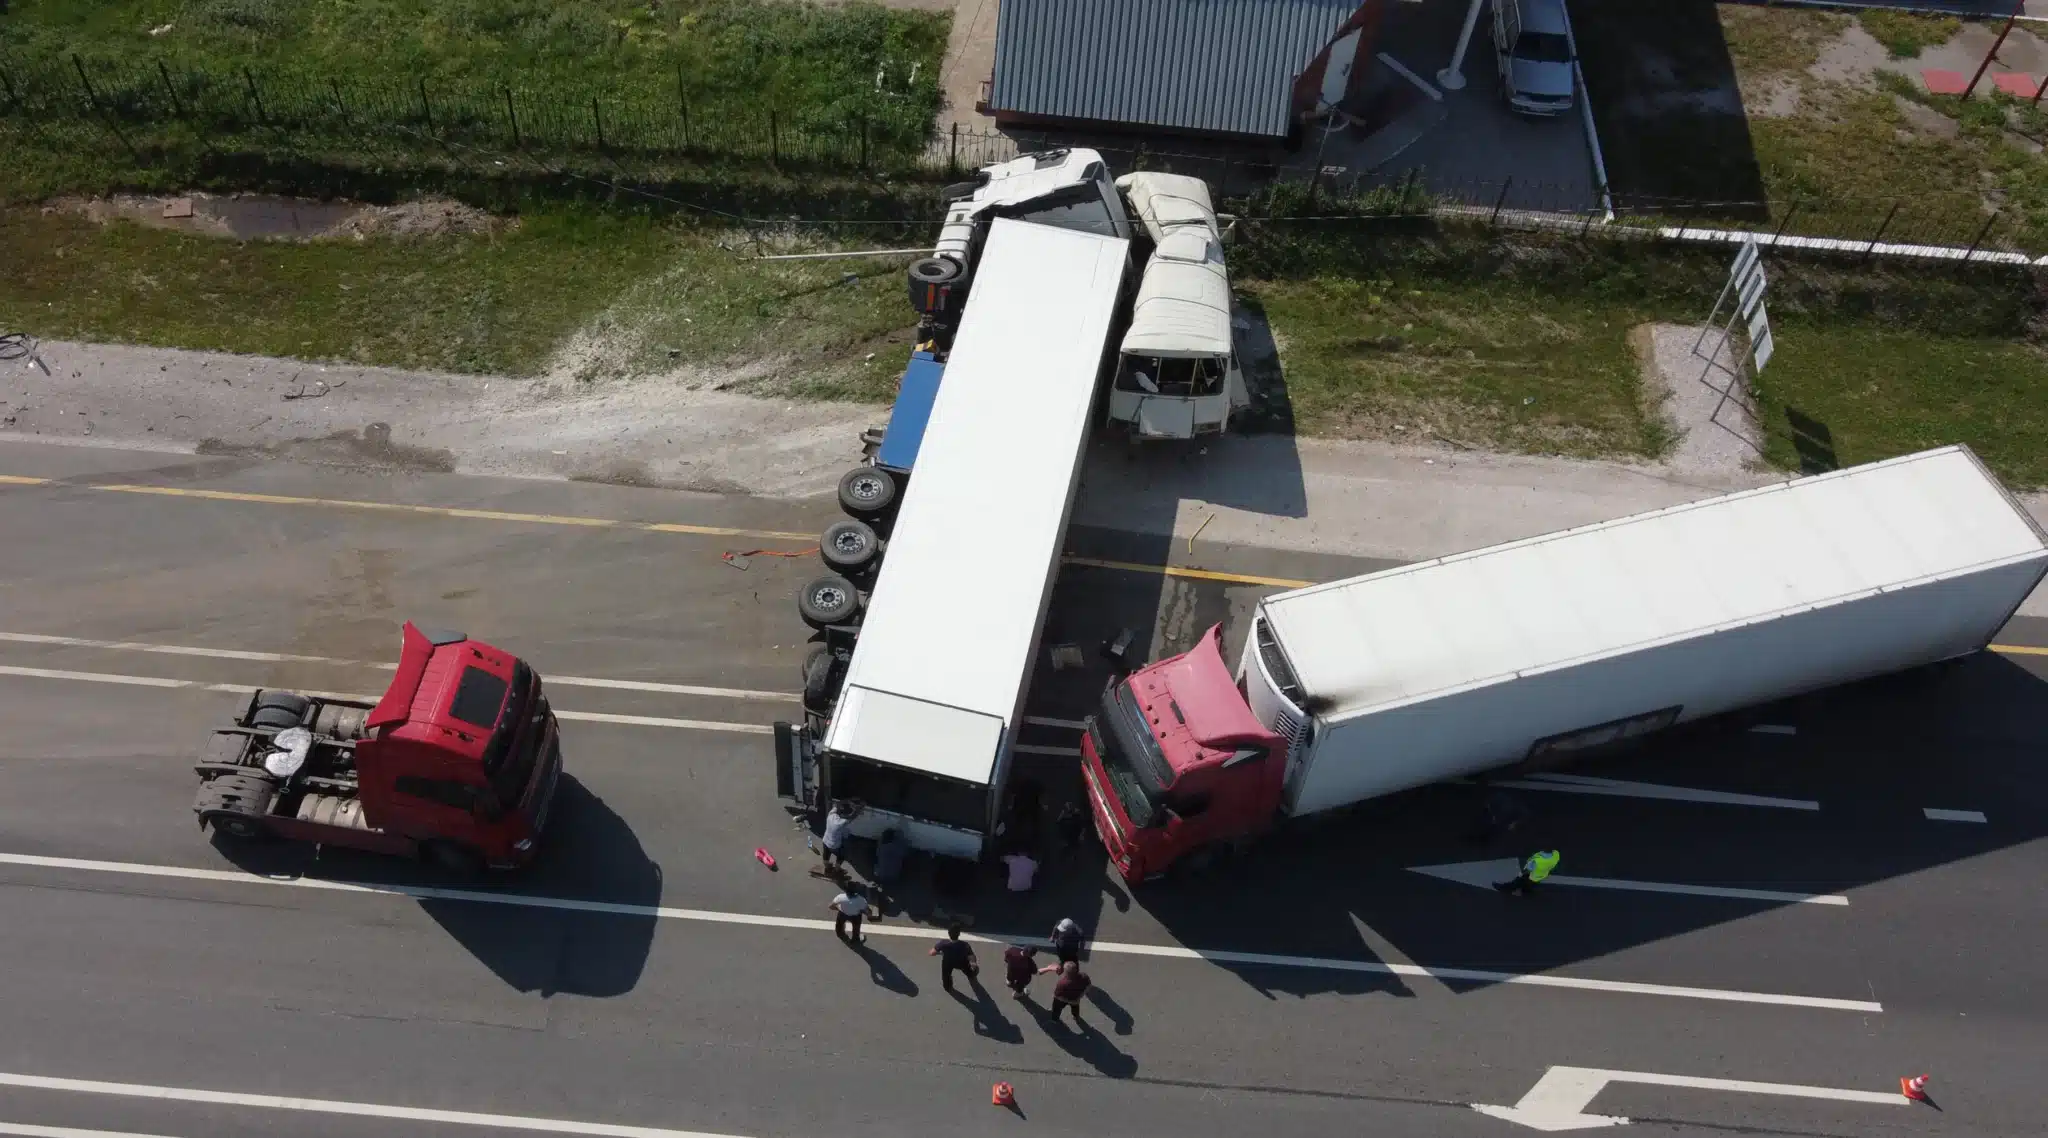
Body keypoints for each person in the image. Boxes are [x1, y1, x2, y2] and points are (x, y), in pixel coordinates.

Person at [1039, 959, 1091, 1026]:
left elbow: (1057, 995)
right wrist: (1081, 996)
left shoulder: (1063, 983)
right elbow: (1089, 986)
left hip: (1063, 999)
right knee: (1075, 1009)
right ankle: (1076, 1017)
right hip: (1075, 1000)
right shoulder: (1084, 976)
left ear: (1066, 972)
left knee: (1056, 1009)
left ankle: (1055, 1019)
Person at [929, 924, 978, 991]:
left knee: (946, 975)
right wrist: (974, 964)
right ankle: (971, 975)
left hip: (948, 962)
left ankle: (947, 986)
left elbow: (931, 953)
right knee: (968, 970)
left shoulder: (943, 943)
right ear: (959, 934)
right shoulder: (965, 945)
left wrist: (941, 953)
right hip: (961, 962)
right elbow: (971, 957)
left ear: (949, 933)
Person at [1495, 849, 1560, 896]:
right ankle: (1525, 892)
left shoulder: (1537, 861)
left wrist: (1521, 874)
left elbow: (1528, 870)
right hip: (1541, 875)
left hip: (1531, 875)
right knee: (1529, 886)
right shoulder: (1556, 855)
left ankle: (1505, 888)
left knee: (1516, 882)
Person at [820, 800, 854, 873]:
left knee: (826, 852)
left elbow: (836, 804)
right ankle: (837, 868)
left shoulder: (831, 814)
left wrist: (848, 800)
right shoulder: (842, 823)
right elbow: (852, 817)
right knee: (843, 853)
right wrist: (860, 808)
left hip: (825, 840)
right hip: (834, 846)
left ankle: (826, 865)